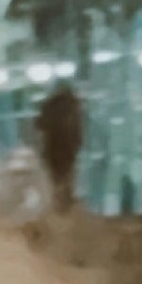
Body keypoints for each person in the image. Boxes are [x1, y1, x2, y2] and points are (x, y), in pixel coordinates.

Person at [36, 77, 84, 217]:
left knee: (56, 177)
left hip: (53, 147)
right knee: (65, 176)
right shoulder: (72, 107)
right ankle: (63, 203)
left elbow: (39, 125)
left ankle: (59, 202)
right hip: (66, 149)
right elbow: (77, 130)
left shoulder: (50, 106)